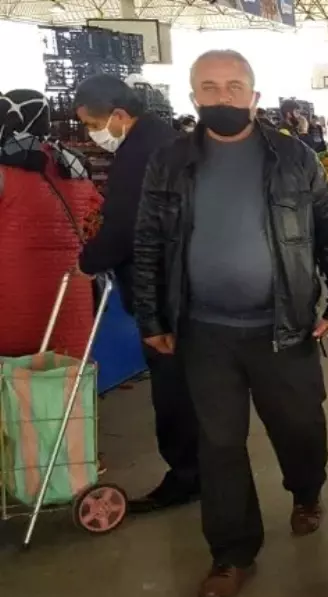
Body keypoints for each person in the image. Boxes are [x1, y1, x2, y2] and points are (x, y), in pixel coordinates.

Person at [131, 49, 328, 597]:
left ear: (254, 97)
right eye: (209, 87)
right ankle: (231, 554)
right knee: (219, 444)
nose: (222, 96)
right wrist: (153, 317)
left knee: (300, 427)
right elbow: (149, 243)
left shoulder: (294, 158)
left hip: (285, 329)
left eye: (234, 86)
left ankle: (306, 492)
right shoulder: (170, 161)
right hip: (204, 330)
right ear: (193, 98)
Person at [72, 75, 198, 512]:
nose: (92, 134)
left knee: (172, 388)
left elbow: (126, 225)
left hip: (161, 287)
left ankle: (185, 476)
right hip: (189, 281)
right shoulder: (169, 140)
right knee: (195, 386)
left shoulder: (138, 153)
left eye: (92, 123)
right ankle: (201, 470)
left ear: (120, 116)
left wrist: (87, 261)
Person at [0, 89, 101, 360]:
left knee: (14, 386)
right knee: (66, 381)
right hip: (72, 293)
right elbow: (96, 222)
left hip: (12, 294)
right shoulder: (76, 163)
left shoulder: (4, 168)